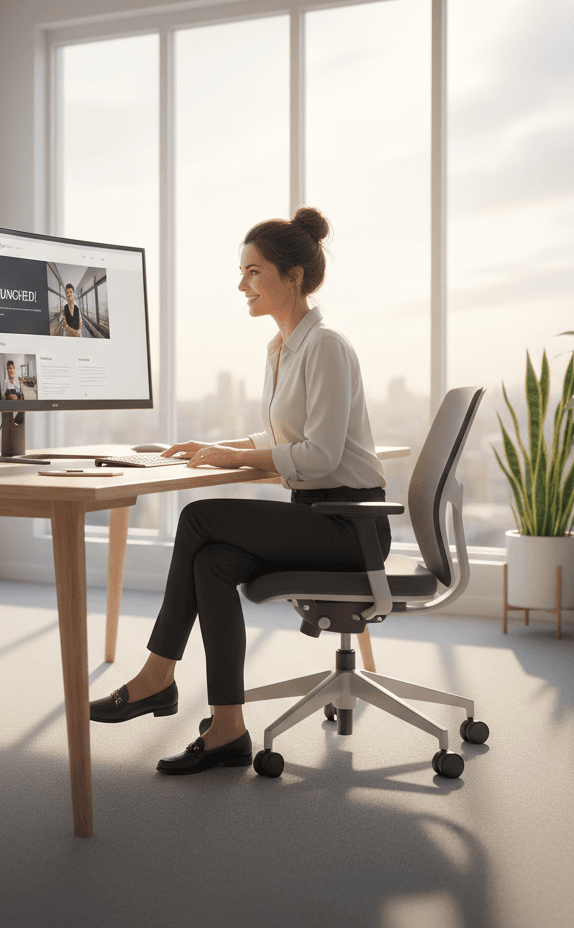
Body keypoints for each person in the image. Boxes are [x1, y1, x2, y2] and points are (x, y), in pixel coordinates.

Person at [89, 206, 390, 775]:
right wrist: (218, 446)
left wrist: (237, 458)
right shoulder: (282, 347)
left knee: (198, 519)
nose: (242, 284)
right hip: (317, 516)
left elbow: (322, 455)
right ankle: (228, 728)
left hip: (350, 527)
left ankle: (156, 675)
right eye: (242, 272)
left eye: (254, 272)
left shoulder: (325, 345)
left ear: (293, 277)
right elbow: (283, 438)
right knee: (213, 562)